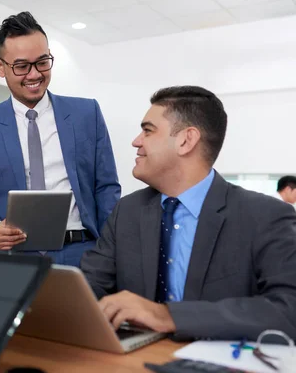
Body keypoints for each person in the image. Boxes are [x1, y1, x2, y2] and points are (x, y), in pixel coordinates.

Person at [81, 85, 296, 340]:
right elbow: (86, 289)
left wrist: (168, 316)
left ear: (186, 140)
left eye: (148, 130)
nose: (136, 141)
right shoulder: (126, 212)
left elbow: (288, 309)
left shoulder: (266, 216)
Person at [0, 11, 120, 267]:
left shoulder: (86, 114)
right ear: (1, 67)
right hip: (18, 257)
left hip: (83, 251)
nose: (34, 75)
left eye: (42, 62)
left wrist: (109, 249)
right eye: (21, 66)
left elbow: (106, 186)